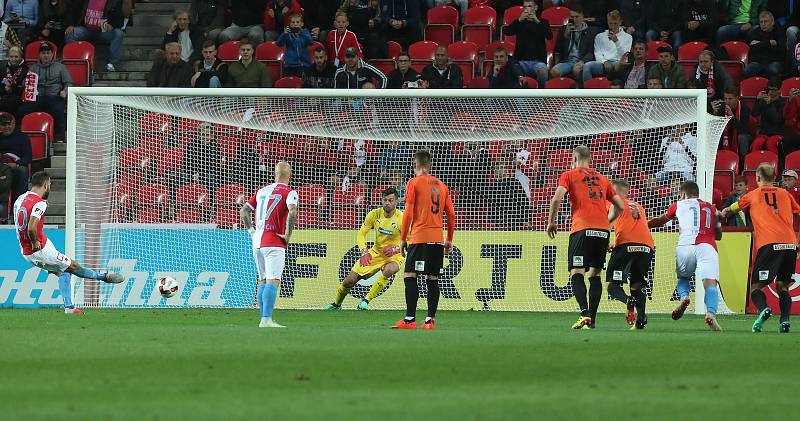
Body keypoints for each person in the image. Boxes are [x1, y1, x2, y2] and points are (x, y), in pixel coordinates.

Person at [14, 172, 125, 314]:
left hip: (31, 247)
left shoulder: (20, 199)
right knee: (73, 266)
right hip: (39, 249)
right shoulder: (40, 203)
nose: (50, 189)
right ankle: (104, 277)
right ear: (45, 185)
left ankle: (69, 307)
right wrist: (34, 241)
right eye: (50, 186)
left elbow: (20, 225)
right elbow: (31, 227)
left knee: (63, 270)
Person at [547, 145, 625, 329]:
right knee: (595, 274)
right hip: (602, 232)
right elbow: (620, 207)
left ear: (574, 158)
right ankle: (593, 320)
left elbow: (557, 198)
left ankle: (584, 313)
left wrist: (551, 221)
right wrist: (607, 223)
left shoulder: (569, 175)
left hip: (581, 228)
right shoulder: (603, 179)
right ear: (590, 159)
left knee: (577, 272)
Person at [721, 164, 800, 333]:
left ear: (757, 177)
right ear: (775, 177)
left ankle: (764, 309)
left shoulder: (751, 195)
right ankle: (785, 320)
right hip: (790, 245)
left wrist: (722, 212)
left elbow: (731, 210)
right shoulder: (786, 194)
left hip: (769, 244)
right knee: (782, 286)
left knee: (756, 287)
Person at [649, 180, 723, 331]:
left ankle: (684, 297)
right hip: (707, 246)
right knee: (710, 283)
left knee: (683, 277)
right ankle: (710, 314)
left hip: (685, 245)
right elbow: (719, 235)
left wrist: (645, 224)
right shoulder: (712, 208)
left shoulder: (678, 205)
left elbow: (661, 221)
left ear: (683, 194)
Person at [395, 149, 455, 330]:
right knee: (432, 278)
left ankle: (409, 319)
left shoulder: (413, 183)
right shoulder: (442, 186)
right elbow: (451, 214)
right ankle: (429, 320)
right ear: (430, 165)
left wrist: (403, 238)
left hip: (419, 237)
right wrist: (449, 239)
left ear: (415, 165)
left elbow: (407, 214)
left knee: (410, 275)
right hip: (437, 239)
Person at [239, 161, 299, 328]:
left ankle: (263, 318)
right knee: (273, 280)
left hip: (257, 242)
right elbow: (292, 211)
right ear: (289, 175)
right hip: (274, 241)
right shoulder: (290, 191)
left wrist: (252, 231)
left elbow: (243, 211)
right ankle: (266, 319)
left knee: (262, 280)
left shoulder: (261, 191)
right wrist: (287, 235)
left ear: (275, 174)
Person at [324, 187, 404, 311]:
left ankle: (365, 301)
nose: (387, 203)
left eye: (390, 200)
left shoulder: (402, 218)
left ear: (396, 201)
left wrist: (395, 249)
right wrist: (364, 251)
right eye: (385, 200)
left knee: (390, 270)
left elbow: (410, 241)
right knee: (349, 281)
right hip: (376, 252)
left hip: (394, 255)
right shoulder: (374, 214)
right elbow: (362, 233)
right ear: (381, 200)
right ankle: (336, 304)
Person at [606, 179, 653, 330]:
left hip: (626, 245)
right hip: (646, 247)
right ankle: (641, 319)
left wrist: (606, 242)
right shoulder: (639, 206)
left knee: (611, 284)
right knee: (636, 286)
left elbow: (607, 223)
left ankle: (628, 301)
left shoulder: (614, 203)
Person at [21, 42, 71, 140]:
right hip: (37, 97)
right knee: (23, 110)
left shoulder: (60, 67)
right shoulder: (34, 68)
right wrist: (26, 82)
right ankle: (25, 136)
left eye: (48, 53)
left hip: (54, 96)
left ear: (52, 54)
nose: (46, 56)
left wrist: (65, 91)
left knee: (58, 110)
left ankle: (59, 136)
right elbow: (25, 83)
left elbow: (68, 83)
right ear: (39, 55)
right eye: (43, 53)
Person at [65, 0, 125, 72]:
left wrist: (112, 25)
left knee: (118, 33)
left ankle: (112, 63)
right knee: (70, 33)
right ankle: (73, 62)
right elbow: (72, 10)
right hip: (86, 29)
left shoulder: (113, 1)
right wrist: (71, 24)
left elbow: (120, 19)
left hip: (102, 31)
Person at [505, 0, 551, 88]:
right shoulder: (520, 22)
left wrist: (537, 21)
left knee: (543, 72)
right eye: (525, 7)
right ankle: (518, 97)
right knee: (512, 69)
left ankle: (540, 95)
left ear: (536, 8)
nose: (527, 9)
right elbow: (507, 32)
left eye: (530, 6)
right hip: (521, 62)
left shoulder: (543, 22)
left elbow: (549, 36)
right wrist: (518, 20)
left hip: (538, 61)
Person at [550, 6, 600, 81]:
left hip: (581, 61)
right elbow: (558, 50)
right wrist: (565, 36)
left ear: (582, 17)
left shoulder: (591, 31)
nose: (574, 20)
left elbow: (591, 52)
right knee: (554, 71)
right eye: (572, 17)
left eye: (577, 17)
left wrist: (582, 61)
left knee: (576, 70)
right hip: (567, 61)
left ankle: (579, 89)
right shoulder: (564, 29)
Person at [583, 10, 632, 82]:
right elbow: (597, 53)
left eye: (615, 23)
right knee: (587, 66)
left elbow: (624, 56)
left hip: (618, 62)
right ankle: (587, 91)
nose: (613, 26)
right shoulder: (599, 36)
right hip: (603, 63)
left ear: (620, 22)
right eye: (610, 23)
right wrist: (604, 62)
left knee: (621, 65)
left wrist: (616, 41)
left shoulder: (628, 37)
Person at [0, 112, 30, 222]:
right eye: (3, 125)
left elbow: (28, 157)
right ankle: (3, 213)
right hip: (2, 167)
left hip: (17, 166)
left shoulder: (22, 137)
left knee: (22, 171)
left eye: (9, 124)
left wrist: (16, 164)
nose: (7, 127)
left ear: (13, 124)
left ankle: (18, 206)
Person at [744, 11, 785, 79]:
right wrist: (769, 43)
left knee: (773, 69)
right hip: (758, 62)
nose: (763, 24)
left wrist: (759, 43)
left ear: (772, 22)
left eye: (766, 21)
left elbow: (781, 51)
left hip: (774, 62)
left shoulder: (779, 32)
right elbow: (752, 49)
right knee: (747, 70)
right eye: (761, 22)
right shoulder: (755, 32)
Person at [715, 86, 752, 160]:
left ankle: (742, 164)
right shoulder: (722, 108)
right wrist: (714, 113)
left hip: (740, 135)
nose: (727, 102)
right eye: (725, 99)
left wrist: (732, 116)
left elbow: (743, 130)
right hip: (726, 135)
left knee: (742, 138)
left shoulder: (745, 109)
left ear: (737, 98)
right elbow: (717, 127)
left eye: (730, 99)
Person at [750, 78, 785, 154]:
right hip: (764, 133)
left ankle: (774, 165)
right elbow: (754, 113)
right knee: (756, 143)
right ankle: (753, 164)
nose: (771, 92)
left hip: (777, 134)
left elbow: (777, 119)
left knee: (771, 143)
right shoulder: (764, 101)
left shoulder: (783, 103)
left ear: (779, 91)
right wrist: (757, 100)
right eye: (769, 90)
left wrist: (770, 104)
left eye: (774, 90)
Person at [0, 46, 28, 117]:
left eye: (16, 57)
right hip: (4, 94)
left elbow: (24, 88)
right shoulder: (3, 68)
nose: (13, 59)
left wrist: (12, 89)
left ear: (21, 57)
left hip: (17, 96)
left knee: (10, 102)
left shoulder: (26, 70)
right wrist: (4, 89)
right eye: (11, 57)